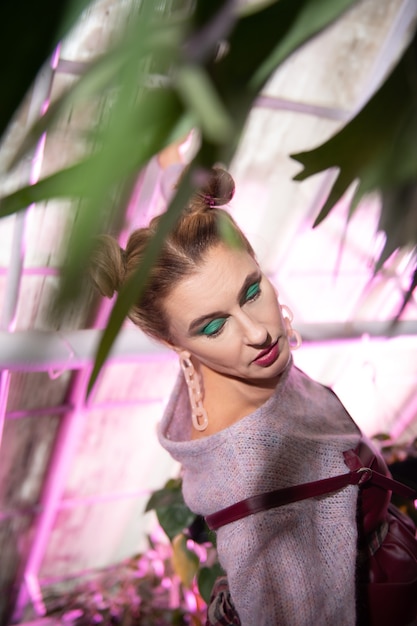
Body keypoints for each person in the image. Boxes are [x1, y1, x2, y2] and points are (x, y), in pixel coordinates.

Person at [90, 167, 417, 626]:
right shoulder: (253, 473)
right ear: (174, 344)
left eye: (251, 291)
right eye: (212, 325)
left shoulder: (242, 368)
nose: (259, 332)